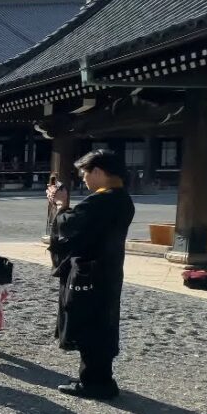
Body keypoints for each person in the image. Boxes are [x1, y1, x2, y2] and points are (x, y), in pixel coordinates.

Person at [48, 150, 135, 400]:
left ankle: (95, 383)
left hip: (90, 272)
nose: (84, 179)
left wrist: (61, 206)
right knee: (102, 323)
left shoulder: (101, 201)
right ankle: (99, 378)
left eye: (85, 173)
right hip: (108, 271)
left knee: (88, 323)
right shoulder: (122, 199)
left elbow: (70, 227)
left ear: (98, 172)